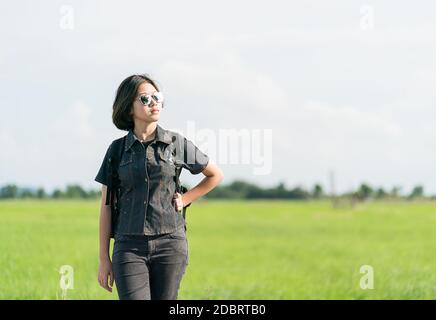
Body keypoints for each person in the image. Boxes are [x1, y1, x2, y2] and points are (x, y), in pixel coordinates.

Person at [94, 73, 224, 300]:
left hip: (170, 244)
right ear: (128, 108)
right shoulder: (116, 151)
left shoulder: (176, 144)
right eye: (145, 99)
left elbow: (215, 175)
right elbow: (106, 206)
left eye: (157, 97)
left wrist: (185, 199)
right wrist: (104, 259)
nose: (154, 103)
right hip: (128, 247)